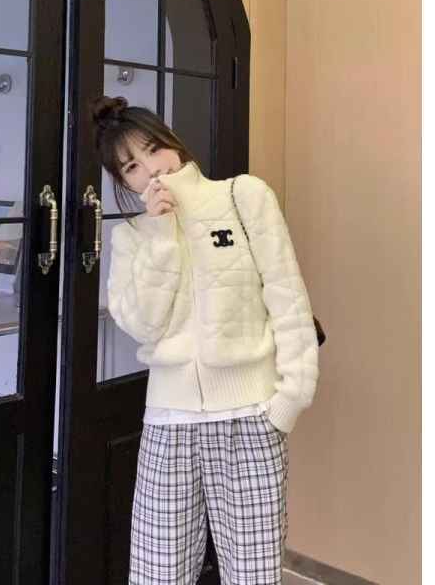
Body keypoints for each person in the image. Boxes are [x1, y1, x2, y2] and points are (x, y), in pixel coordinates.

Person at [89, 95, 320, 585]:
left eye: (153, 149)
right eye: (131, 166)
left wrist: (289, 401)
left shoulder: (243, 196)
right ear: (123, 182)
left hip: (250, 419)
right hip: (168, 426)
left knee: (253, 576)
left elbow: (288, 298)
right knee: (157, 575)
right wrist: (161, 236)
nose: (151, 168)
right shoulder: (132, 237)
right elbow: (142, 325)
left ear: (172, 142)